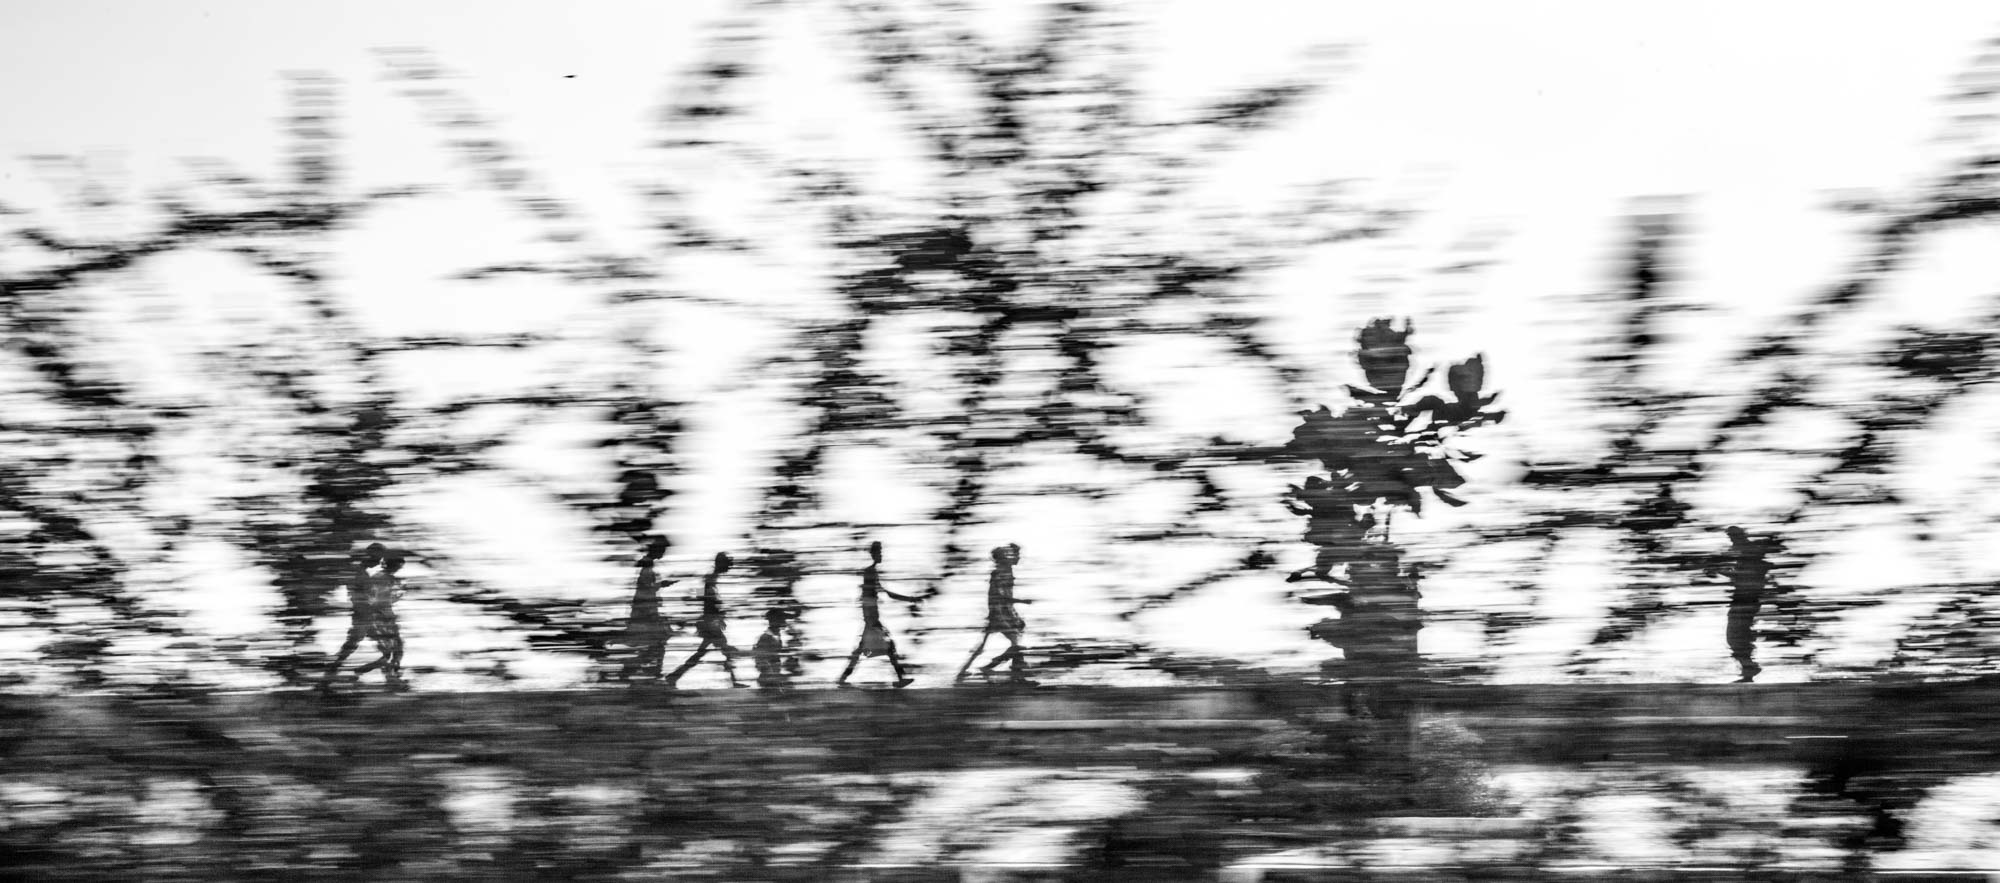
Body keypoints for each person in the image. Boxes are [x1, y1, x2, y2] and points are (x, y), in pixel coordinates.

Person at [837, 541, 921, 688]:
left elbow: (886, 594)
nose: (881, 555)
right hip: (872, 620)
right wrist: (871, 622)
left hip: (872, 620)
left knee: (866, 649)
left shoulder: (872, 573)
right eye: (879, 553)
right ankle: (900, 678)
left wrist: (910, 599)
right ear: (873, 554)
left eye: (881, 553)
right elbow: (867, 598)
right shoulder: (870, 573)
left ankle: (843, 679)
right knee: (886, 648)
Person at [320, 544, 398, 690]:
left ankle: (333, 676)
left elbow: (365, 597)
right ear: (371, 556)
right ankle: (329, 677)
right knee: (352, 649)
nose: (379, 562)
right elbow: (358, 598)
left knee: (383, 651)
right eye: (378, 558)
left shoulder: (361, 572)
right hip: (363, 618)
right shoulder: (359, 573)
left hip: (367, 618)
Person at [664, 553, 746, 688]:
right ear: (720, 564)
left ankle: (673, 677)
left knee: (702, 654)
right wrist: (718, 613)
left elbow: (703, 598)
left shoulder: (711, 579)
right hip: (710, 624)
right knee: (724, 651)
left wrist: (716, 610)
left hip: (710, 623)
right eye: (726, 565)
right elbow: (707, 600)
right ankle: (734, 680)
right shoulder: (710, 579)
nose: (728, 568)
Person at [956, 544, 1033, 681]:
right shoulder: (999, 573)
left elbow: (1015, 562)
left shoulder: (1005, 570)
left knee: (986, 645)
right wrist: (1021, 601)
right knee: (1014, 643)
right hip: (999, 614)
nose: (1009, 558)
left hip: (1001, 612)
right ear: (1000, 559)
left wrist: (1017, 550)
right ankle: (1005, 669)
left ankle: (964, 671)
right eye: (1006, 556)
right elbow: (999, 597)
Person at [611, 538, 677, 683]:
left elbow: (646, 589)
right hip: (646, 612)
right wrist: (662, 584)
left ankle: (635, 669)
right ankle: (646, 670)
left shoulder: (647, 564)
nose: (664, 553)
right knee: (659, 641)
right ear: (657, 550)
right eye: (663, 550)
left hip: (646, 611)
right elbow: (646, 590)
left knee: (654, 642)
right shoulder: (647, 566)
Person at [753, 607, 793, 690]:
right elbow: (759, 659)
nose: (784, 622)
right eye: (782, 619)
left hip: (774, 676)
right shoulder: (765, 638)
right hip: (769, 679)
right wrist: (771, 675)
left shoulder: (776, 636)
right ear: (774, 621)